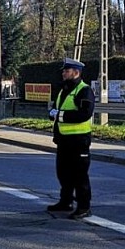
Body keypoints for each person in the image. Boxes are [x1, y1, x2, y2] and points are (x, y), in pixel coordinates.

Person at [47, 57, 95, 220]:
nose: (63, 73)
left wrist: (59, 115)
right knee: (63, 173)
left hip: (79, 141)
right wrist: (52, 113)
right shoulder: (63, 90)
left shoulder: (84, 90)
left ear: (76, 72)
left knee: (80, 176)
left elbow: (84, 113)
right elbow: (56, 108)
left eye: (66, 71)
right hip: (63, 140)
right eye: (63, 71)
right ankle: (66, 201)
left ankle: (84, 206)